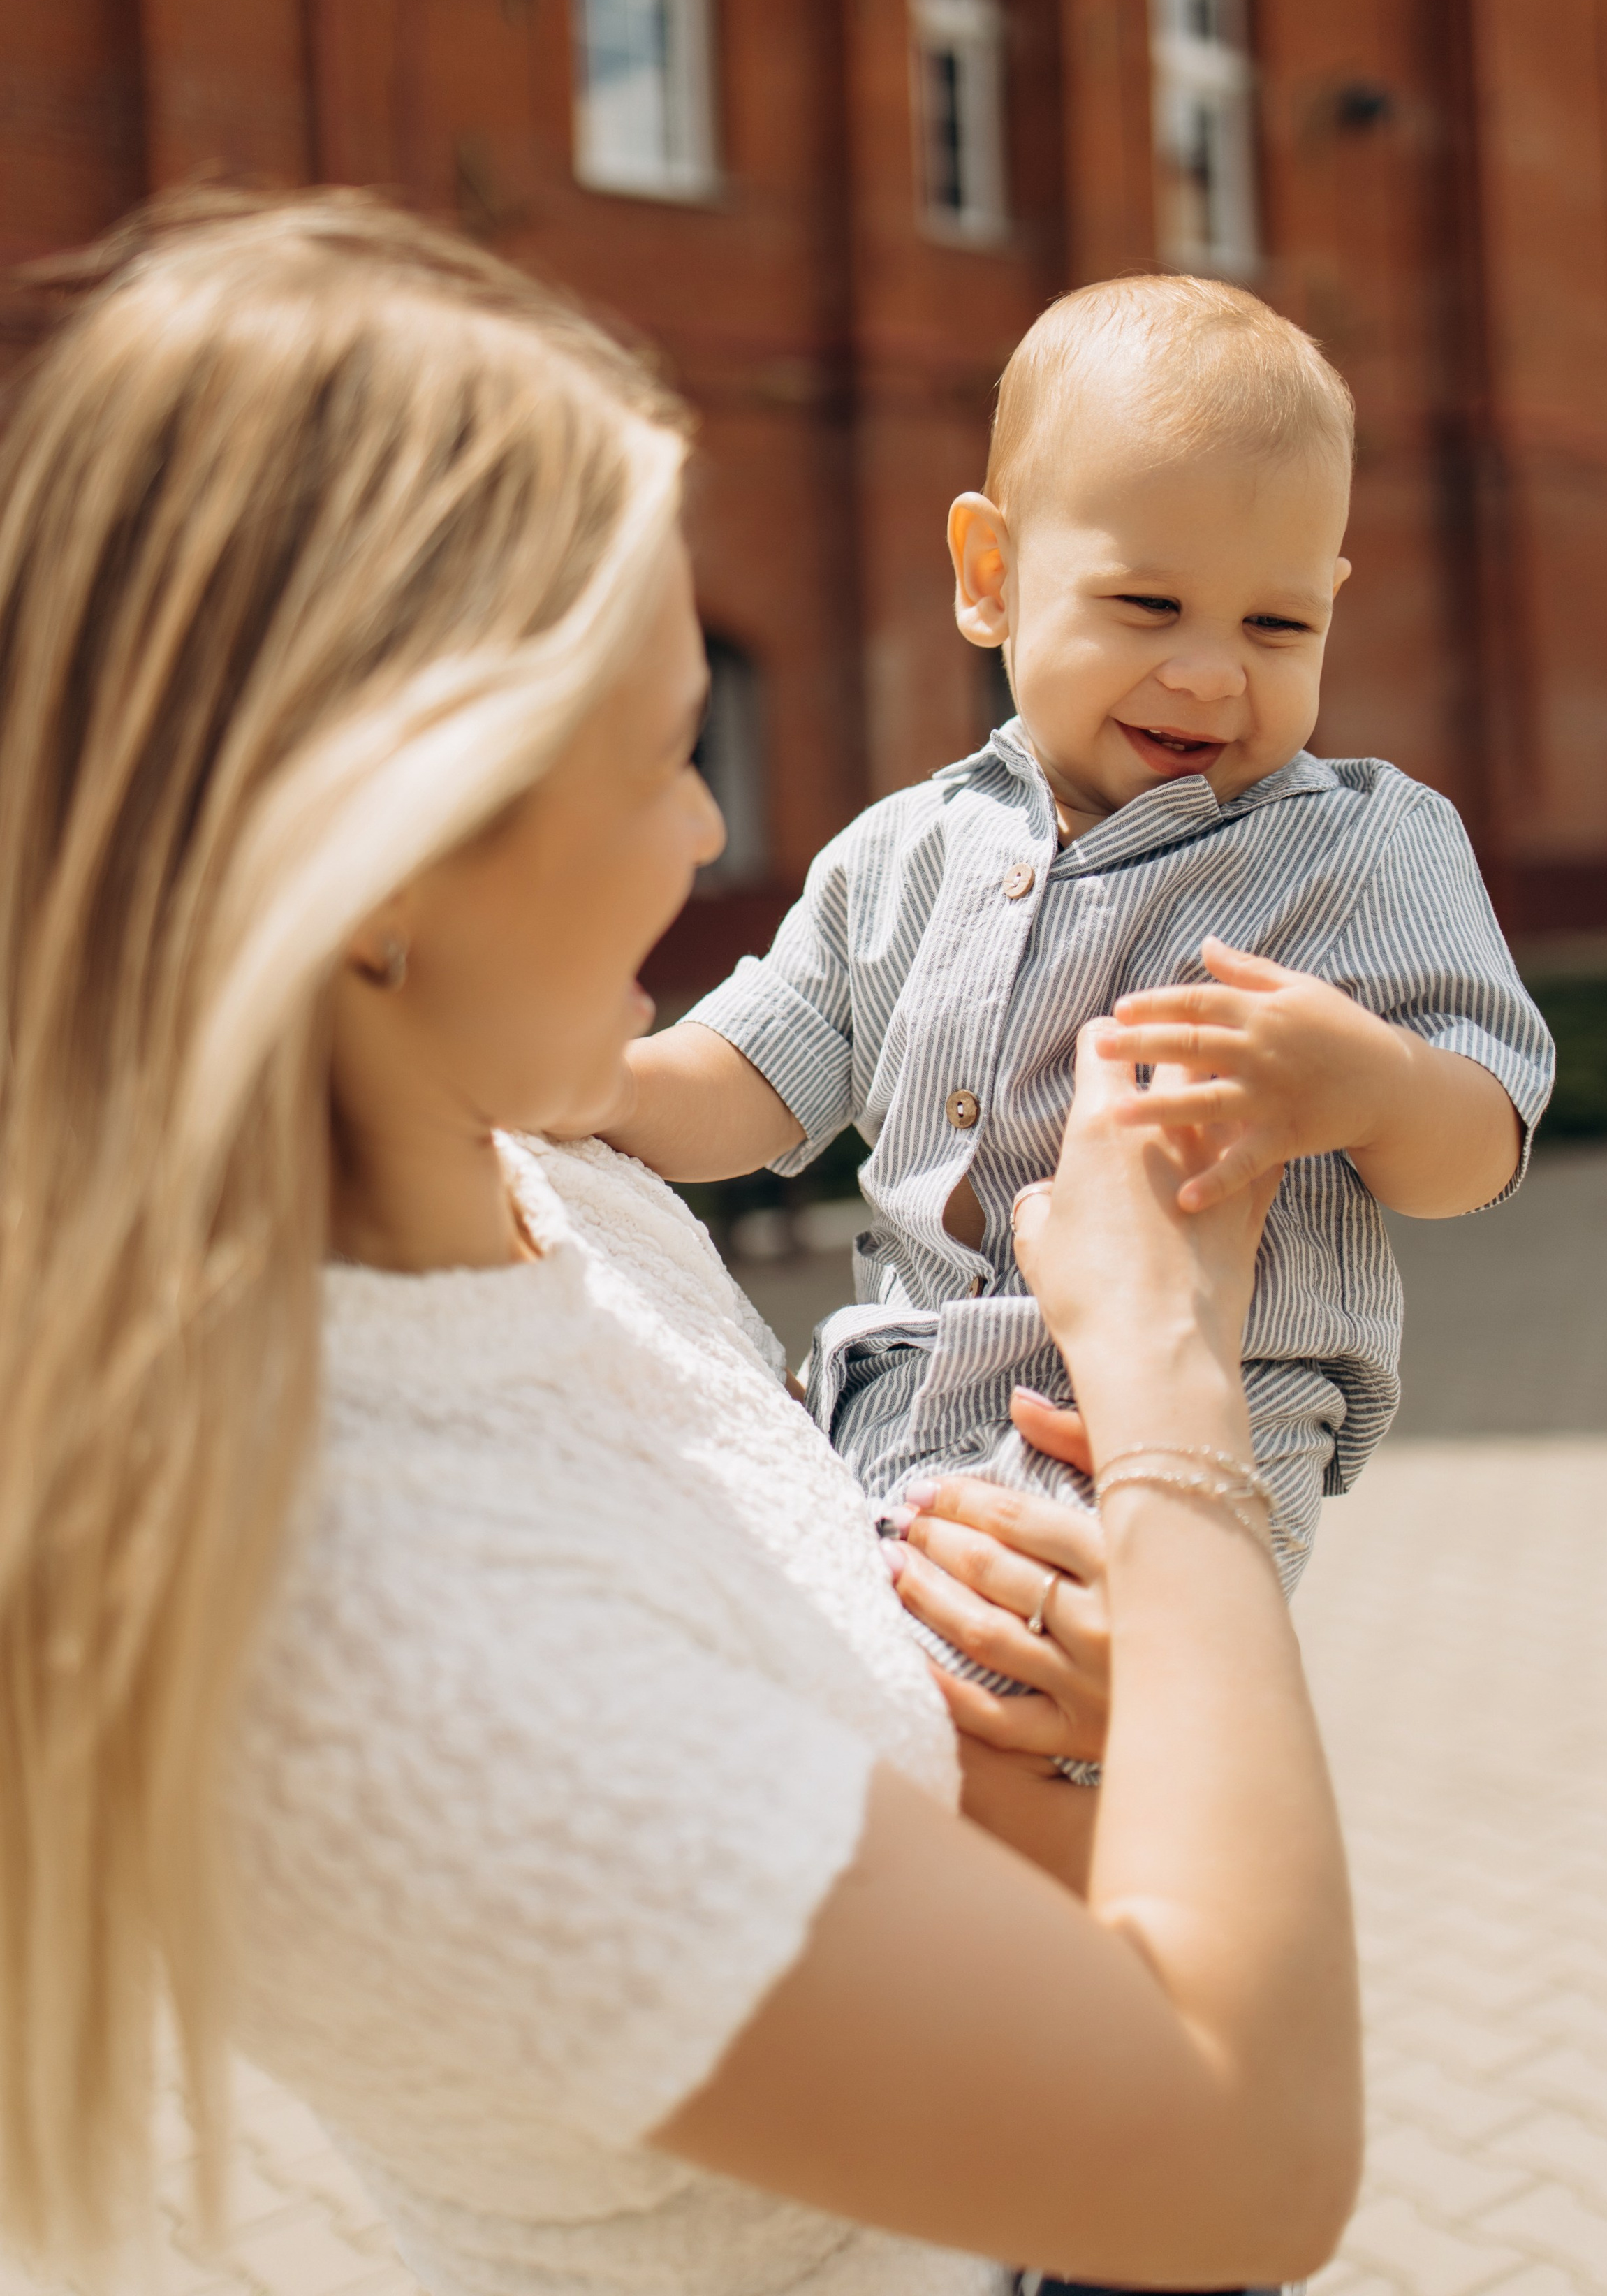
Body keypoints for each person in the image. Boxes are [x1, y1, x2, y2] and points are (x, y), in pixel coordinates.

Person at [0, 195, 1359, 2296]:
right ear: (382, 862)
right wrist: (1178, 1407)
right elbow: (1244, 2172)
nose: (711, 835)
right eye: (665, 751)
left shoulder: (555, 1203)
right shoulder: (380, 1645)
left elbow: (879, 1848)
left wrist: (1095, 1724)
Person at [598, 277, 1556, 1687]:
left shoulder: (1360, 844)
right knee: (795, 1712)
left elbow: (1476, 1146)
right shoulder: (903, 851)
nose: (1211, 675)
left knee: (1015, 1716)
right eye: (1147, 604)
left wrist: (1370, 1085)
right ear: (989, 575)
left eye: (1276, 629)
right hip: (886, 1412)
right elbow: (752, 1070)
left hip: (1170, 1435)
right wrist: (593, 1087)